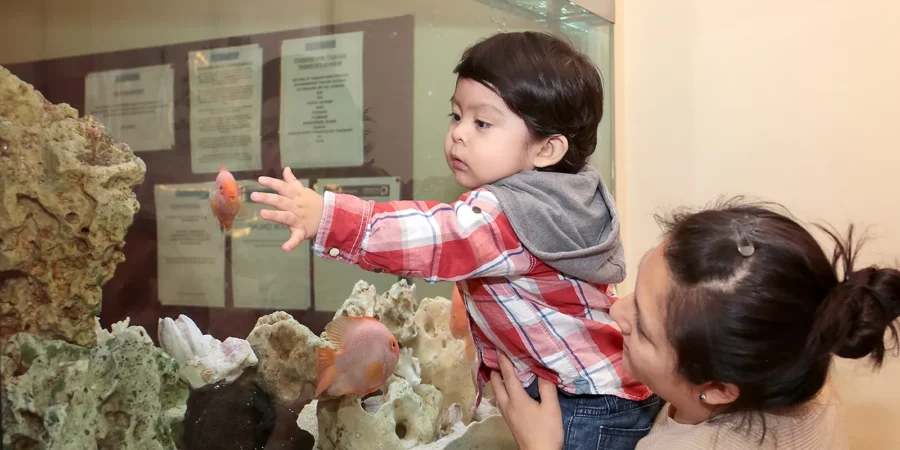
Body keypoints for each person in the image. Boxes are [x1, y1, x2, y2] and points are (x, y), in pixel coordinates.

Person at [251, 31, 661, 449]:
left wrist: (330, 218)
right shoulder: (574, 195)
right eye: (456, 116)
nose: (460, 133)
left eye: (482, 122)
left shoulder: (506, 214)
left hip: (580, 406)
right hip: (611, 392)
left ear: (547, 149)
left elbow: (431, 235)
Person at [490, 198, 900, 449]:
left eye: (645, 330)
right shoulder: (801, 366)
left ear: (718, 388)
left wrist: (539, 447)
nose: (616, 311)